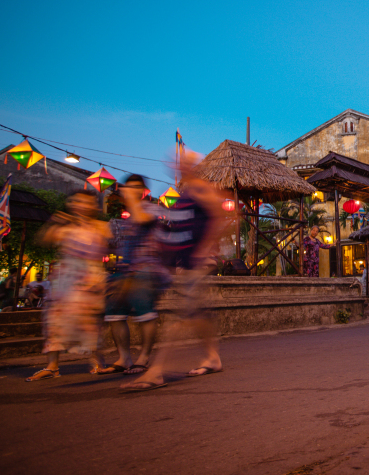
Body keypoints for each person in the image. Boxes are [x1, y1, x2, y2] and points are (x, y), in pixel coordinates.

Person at [122, 153, 225, 392]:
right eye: (176, 162)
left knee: (179, 316)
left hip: (198, 262)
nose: (178, 165)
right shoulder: (185, 193)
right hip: (186, 262)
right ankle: (212, 357)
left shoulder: (201, 189)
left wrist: (204, 249)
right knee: (197, 313)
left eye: (184, 162)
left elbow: (221, 216)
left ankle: (156, 371)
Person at [26, 190, 111, 381]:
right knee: (55, 322)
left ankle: (97, 360)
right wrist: (54, 222)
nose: (82, 205)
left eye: (87, 202)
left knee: (90, 323)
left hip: (90, 279)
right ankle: (52, 366)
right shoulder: (64, 226)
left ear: (95, 206)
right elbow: (43, 240)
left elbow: (109, 246)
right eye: (77, 201)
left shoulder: (101, 227)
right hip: (65, 280)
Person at [102, 174, 164, 376]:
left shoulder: (150, 209)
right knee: (114, 314)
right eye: (128, 187)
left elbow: (143, 220)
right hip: (123, 271)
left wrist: (132, 201)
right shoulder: (125, 218)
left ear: (143, 191)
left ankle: (144, 357)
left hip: (146, 270)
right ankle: (124, 357)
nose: (131, 191)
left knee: (145, 314)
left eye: (136, 187)